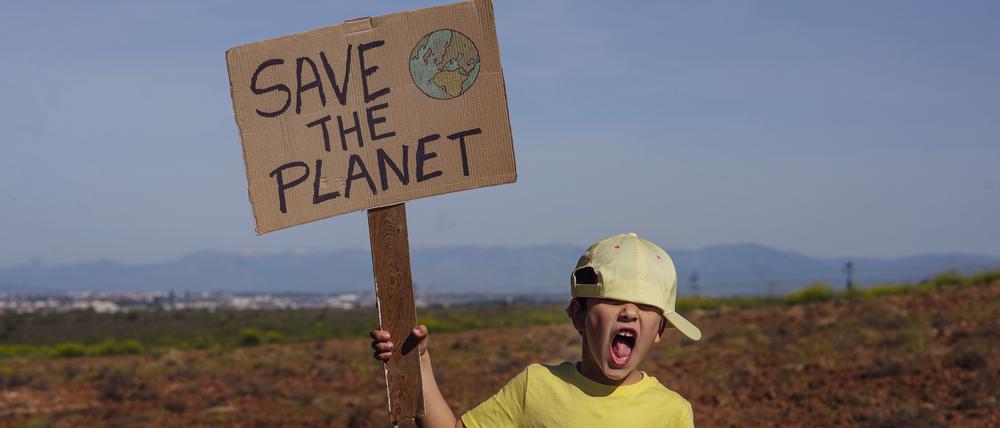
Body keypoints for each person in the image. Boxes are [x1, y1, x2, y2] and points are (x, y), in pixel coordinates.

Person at [370, 232, 702, 427]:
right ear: (578, 316)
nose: (630, 312)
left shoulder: (673, 413)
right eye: (614, 300)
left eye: (645, 306)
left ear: (661, 330)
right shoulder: (536, 387)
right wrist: (420, 362)